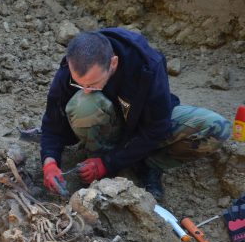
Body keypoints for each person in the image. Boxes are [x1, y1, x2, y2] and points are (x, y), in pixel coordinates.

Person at [40, 28, 231, 200]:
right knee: (83, 104)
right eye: (79, 84)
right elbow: (52, 123)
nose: (86, 89)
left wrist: (109, 163)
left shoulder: (147, 65)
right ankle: (99, 158)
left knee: (217, 127)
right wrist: (49, 162)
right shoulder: (75, 65)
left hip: (142, 127)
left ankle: (149, 165)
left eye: (92, 83)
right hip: (108, 128)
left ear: (113, 63)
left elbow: (157, 128)